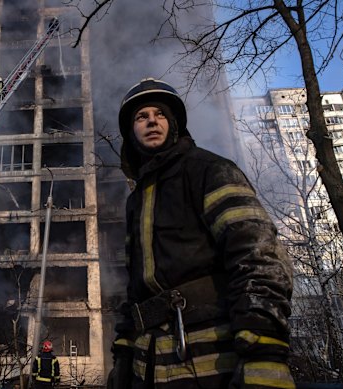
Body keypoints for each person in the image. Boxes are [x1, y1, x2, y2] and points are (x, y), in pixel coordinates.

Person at [107, 78, 295, 389]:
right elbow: (135, 289)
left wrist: (263, 347)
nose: (152, 120)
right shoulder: (136, 201)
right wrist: (124, 353)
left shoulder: (209, 170)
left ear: (175, 124)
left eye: (160, 114)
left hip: (212, 355)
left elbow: (258, 255)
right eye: (142, 116)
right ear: (131, 132)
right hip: (150, 364)